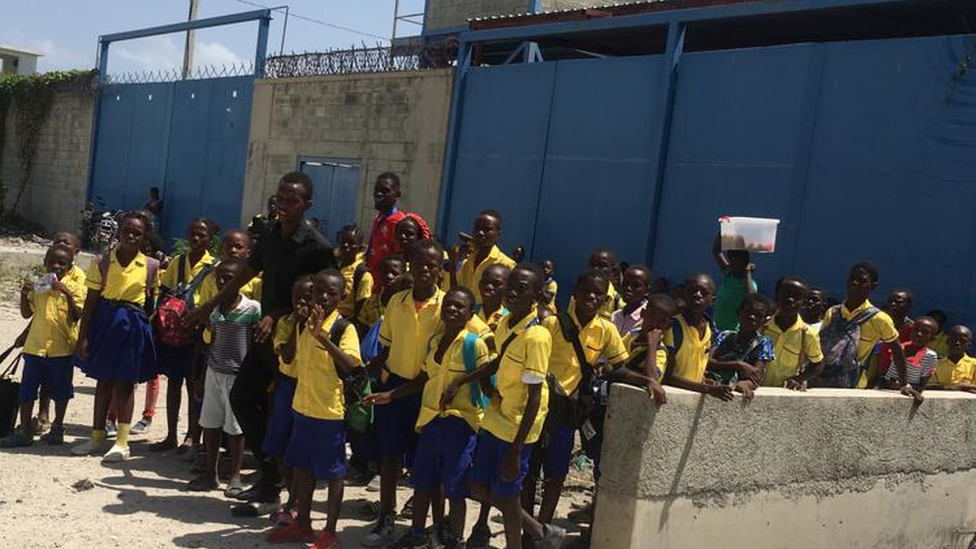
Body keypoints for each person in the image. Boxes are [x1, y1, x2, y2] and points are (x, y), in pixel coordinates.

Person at [185, 171, 335, 508]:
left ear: (306, 205)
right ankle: (270, 477)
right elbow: (246, 273)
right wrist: (209, 305)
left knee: (290, 413)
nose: (284, 205)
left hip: (296, 343)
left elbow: (323, 298)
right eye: (281, 198)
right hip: (266, 339)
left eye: (292, 200)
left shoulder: (317, 247)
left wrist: (279, 314)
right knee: (241, 398)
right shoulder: (268, 234)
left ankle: (296, 494)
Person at [441, 263, 564, 549]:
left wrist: (517, 448)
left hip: (518, 424)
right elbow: (498, 362)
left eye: (522, 289)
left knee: (508, 494)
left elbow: (535, 395)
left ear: (536, 296)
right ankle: (537, 530)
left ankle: (519, 542)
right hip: (497, 414)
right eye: (511, 286)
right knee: (477, 485)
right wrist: (461, 380)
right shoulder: (507, 323)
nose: (512, 293)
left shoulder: (537, 336)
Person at [365, 287, 489, 549]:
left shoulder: (473, 344)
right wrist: (392, 395)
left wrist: (460, 383)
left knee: (455, 487)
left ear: (470, 314)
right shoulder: (435, 342)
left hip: (460, 423)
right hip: (431, 420)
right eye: (449, 305)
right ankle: (418, 534)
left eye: (460, 307)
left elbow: (487, 375)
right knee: (423, 481)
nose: (453, 310)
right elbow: (423, 379)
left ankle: (453, 539)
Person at [266, 269, 361, 549]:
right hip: (302, 408)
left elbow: (351, 364)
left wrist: (323, 337)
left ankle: (330, 533)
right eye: (319, 290)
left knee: (333, 473)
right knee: (304, 468)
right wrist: (303, 324)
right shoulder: (303, 323)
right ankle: (302, 524)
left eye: (332, 292)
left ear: (342, 296)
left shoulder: (345, 328)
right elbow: (289, 358)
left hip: (329, 413)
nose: (323, 296)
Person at [527, 270, 628, 528]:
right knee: (528, 471)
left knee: (556, 474)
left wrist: (647, 380)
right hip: (538, 407)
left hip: (567, 412)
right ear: (575, 292)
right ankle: (526, 528)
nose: (591, 297)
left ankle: (543, 528)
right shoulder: (551, 324)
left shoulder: (606, 331)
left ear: (605, 299)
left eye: (598, 294)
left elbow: (620, 365)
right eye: (586, 291)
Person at [362, 239, 446, 547]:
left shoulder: (446, 307)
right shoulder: (397, 302)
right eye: (420, 263)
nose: (426, 270)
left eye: (432, 265)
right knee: (390, 456)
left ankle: (432, 527)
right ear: (411, 265)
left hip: (428, 391)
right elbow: (386, 348)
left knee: (428, 463)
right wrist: (364, 373)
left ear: (440, 270)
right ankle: (386, 516)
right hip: (395, 386)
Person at [72, 211, 160, 462]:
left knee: (125, 384)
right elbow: (90, 302)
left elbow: (152, 305)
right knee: (103, 382)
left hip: (132, 326)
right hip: (106, 323)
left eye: (137, 232)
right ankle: (97, 436)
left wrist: (146, 332)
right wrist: (84, 336)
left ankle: (122, 442)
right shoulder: (102, 261)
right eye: (127, 230)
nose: (131, 236)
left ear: (145, 237)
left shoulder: (151, 266)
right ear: (119, 232)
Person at [1, 244, 87, 447]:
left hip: (61, 350)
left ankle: (57, 428)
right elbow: (26, 313)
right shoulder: (39, 286)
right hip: (35, 348)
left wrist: (66, 293)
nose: (56, 267)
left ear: (70, 266)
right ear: (45, 264)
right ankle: (24, 431)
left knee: (61, 391)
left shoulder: (74, 288)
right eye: (52, 263)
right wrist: (24, 295)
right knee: (27, 390)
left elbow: (77, 316)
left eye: (62, 263)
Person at [187, 259, 260, 496]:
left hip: (237, 376)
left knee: (235, 429)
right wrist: (200, 377)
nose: (223, 282)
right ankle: (211, 474)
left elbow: (258, 344)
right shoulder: (214, 310)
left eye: (229, 278)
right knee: (210, 423)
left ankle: (236, 477)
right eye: (220, 277)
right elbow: (208, 343)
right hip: (214, 373)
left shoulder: (252, 309)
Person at [811, 263, 921, 404]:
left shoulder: (879, 318)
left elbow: (897, 349)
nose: (855, 283)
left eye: (862, 280)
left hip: (851, 385)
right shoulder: (833, 312)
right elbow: (818, 346)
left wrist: (904, 384)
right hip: (819, 381)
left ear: (873, 286)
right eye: (852, 278)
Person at [150, 218, 216, 452]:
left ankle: (191, 436)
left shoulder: (213, 267)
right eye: (193, 234)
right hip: (174, 332)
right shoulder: (178, 262)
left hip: (197, 334)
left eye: (202, 235)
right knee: (174, 383)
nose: (197, 239)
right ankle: (170, 434)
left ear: (210, 239)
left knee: (193, 384)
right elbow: (165, 293)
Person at [260, 276, 313, 527]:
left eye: (307, 297)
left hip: (309, 390)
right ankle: (291, 496)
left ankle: (296, 502)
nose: (302, 302)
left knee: (301, 447)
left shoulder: (321, 325)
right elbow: (288, 356)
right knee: (278, 443)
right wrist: (297, 327)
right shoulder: (285, 323)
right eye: (297, 297)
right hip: (287, 386)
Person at [30, 231, 87, 435]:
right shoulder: (45, 278)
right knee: (40, 380)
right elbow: (40, 311)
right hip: (40, 341)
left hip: (63, 341)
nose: (62, 244)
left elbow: (77, 311)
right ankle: (41, 416)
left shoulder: (77, 276)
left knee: (60, 383)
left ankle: (56, 424)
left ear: (76, 252)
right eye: (58, 242)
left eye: (67, 243)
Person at [661, 273, 734, 401]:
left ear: (712, 300)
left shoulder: (710, 329)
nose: (698, 295)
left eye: (704, 293)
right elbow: (668, 376)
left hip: (691, 399)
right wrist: (707, 389)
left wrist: (703, 380)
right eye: (692, 291)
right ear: (684, 294)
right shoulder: (673, 326)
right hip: (670, 398)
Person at [706, 293, 775, 400]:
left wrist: (744, 385)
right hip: (713, 385)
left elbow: (755, 376)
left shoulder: (763, 343)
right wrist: (738, 365)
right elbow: (707, 362)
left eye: (758, 315)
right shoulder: (725, 336)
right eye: (748, 312)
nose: (752, 317)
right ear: (739, 313)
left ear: (765, 320)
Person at [761, 276, 824, 389]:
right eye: (786, 294)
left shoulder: (807, 334)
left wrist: (798, 379)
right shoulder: (762, 327)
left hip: (785, 395)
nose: (790, 300)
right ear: (777, 296)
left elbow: (818, 365)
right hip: (757, 390)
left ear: (804, 302)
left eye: (797, 297)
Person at [448, 210, 516, 304]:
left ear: (498, 234)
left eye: (487, 229)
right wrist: (453, 264)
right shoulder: (467, 262)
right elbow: (457, 294)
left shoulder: (507, 265)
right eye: (477, 228)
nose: (480, 233)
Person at [365, 173, 406, 289]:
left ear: (397, 195)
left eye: (385, 191)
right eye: (376, 190)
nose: (378, 194)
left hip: (385, 288)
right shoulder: (379, 218)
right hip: (371, 285)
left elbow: (400, 259)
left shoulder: (398, 223)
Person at [711, 233, 757, 331]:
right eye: (730, 261)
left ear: (745, 263)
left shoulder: (749, 284)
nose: (730, 265)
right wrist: (723, 231)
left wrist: (747, 272)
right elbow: (716, 251)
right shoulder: (729, 274)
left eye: (735, 263)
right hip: (716, 327)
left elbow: (752, 298)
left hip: (733, 331)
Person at [879, 316, 939, 390]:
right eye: (916, 330)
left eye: (925, 332)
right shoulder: (899, 348)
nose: (919, 334)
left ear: (932, 338)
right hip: (885, 390)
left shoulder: (930, 356)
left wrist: (901, 385)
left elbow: (922, 386)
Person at [568, 249, 624, 319]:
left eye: (602, 265)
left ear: (613, 270)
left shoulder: (618, 303)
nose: (596, 269)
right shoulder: (578, 296)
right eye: (593, 265)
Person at [336, 224, 373, 320]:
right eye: (343, 242)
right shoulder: (334, 264)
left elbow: (360, 309)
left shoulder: (362, 275)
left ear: (360, 248)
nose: (346, 246)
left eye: (351, 243)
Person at [927, 325, 976, 392]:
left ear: (969, 345)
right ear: (947, 342)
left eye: (962, 341)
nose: (957, 343)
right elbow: (930, 387)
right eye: (954, 340)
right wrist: (962, 387)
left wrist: (946, 387)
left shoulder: (974, 364)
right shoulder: (936, 364)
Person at [610, 264, 653, 338]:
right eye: (626, 283)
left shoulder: (648, 319)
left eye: (636, 285)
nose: (628, 288)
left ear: (647, 291)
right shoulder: (615, 316)